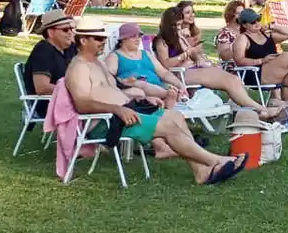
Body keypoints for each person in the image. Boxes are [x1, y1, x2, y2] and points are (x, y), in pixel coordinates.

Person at [64, 17, 247, 186]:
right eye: (98, 39)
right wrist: (119, 110)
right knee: (168, 125)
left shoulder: (97, 63)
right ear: (83, 40)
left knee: (175, 116)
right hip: (108, 122)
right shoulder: (78, 68)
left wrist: (140, 97)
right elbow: (82, 104)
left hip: (126, 111)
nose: (103, 42)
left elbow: (114, 89)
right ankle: (216, 161)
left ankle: (200, 171)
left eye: (104, 38)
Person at [149, 6, 280, 115]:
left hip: (193, 68)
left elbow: (192, 52)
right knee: (228, 81)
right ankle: (260, 109)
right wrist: (184, 56)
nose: (178, 28)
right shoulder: (162, 41)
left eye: (179, 25)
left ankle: (252, 108)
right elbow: (165, 64)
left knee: (233, 79)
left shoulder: (179, 37)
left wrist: (198, 57)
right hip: (180, 74)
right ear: (168, 25)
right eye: (175, 26)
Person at [104, 22, 183, 108]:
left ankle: (166, 100)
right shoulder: (115, 56)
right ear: (123, 39)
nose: (138, 39)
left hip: (157, 86)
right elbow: (108, 77)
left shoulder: (146, 54)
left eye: (139, 36)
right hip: (136, 89)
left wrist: (180, 85)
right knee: (140, 84)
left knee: (167, 88)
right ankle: (167, 96)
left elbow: (164, 73)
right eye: (133, 36)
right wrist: (124, 81)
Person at [23, 12, 78, 117]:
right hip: (49, 103)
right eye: (65, 30)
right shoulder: (43, 51)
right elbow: (42, 88)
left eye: (71, 29)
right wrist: (76, 91)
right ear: (51, 32)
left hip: (67, 100)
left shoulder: (68, 49)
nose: (71, 33)